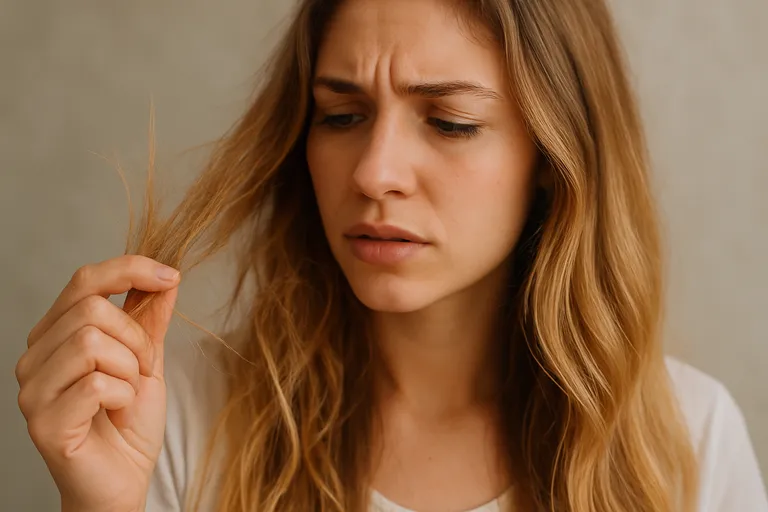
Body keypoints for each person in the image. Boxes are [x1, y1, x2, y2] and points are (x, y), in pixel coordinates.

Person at [14, 0, 768, 510]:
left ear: (553, 151)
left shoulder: (690, 440)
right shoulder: (175, 417)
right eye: (341, 115)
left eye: (448, 121)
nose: (373, 172)